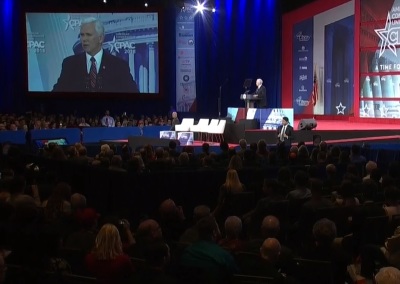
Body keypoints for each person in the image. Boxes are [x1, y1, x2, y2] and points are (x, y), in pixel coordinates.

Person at [52, 17, 139, 93]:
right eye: (82, 35)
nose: (84, 39)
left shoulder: (119, 66)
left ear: (100, 38)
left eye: (88, 35)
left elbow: (133, 95)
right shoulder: (70, 64)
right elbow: (57, 93)